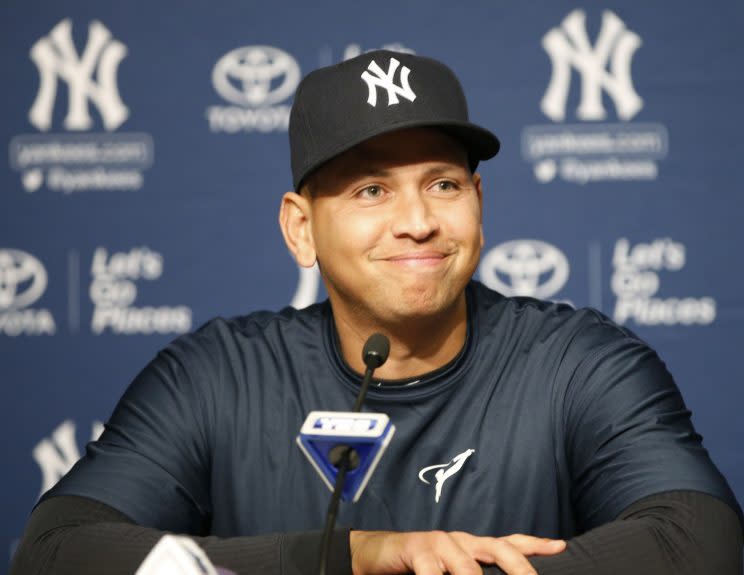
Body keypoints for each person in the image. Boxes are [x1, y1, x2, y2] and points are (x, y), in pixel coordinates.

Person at [10, 50, 743, 575]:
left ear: (479, 207)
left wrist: (444, 567)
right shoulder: (216, 376)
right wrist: (352, 556)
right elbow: (56, 551)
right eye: (370, 190)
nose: (418, 220)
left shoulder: (580, 361)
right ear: (301, 227)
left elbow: (699, 543)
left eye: (443, 183)